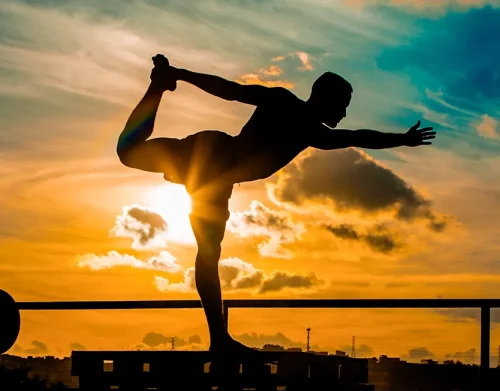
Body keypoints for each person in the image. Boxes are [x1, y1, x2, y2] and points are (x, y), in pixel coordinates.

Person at [117, 54, 436, 353]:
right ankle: (219, 341)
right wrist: (181, 74)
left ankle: (159, 84)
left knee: (133, 158)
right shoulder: (286, 105)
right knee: (134, 160)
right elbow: (231, 91)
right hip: (213, 159)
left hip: (216, 170)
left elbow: (358, 136)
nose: (344, 113)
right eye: (342, 105)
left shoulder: (314, 132)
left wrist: (400, 140)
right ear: (327, 99)